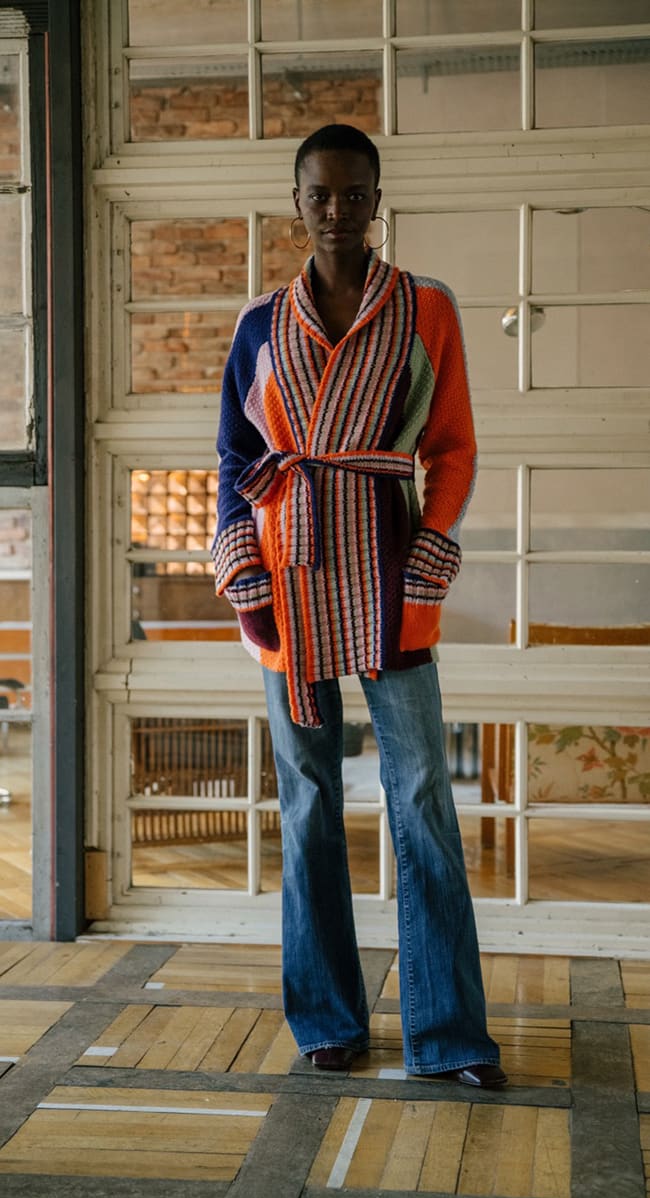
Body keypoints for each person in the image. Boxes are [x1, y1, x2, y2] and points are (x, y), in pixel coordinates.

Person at [212, 123, 505, 1088]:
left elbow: (451, 446)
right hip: (288, 583)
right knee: (307, 804)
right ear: (296, 204)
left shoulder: (424, 308)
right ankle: (328, 1021)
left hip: (390, 576)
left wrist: (433, 544)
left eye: (353, 193)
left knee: (421, 798)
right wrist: (243, 574)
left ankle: (448, 1034)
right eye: (320, 194)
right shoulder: (261, 325)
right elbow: (235, 460)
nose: (337, 210)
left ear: (377, 201)